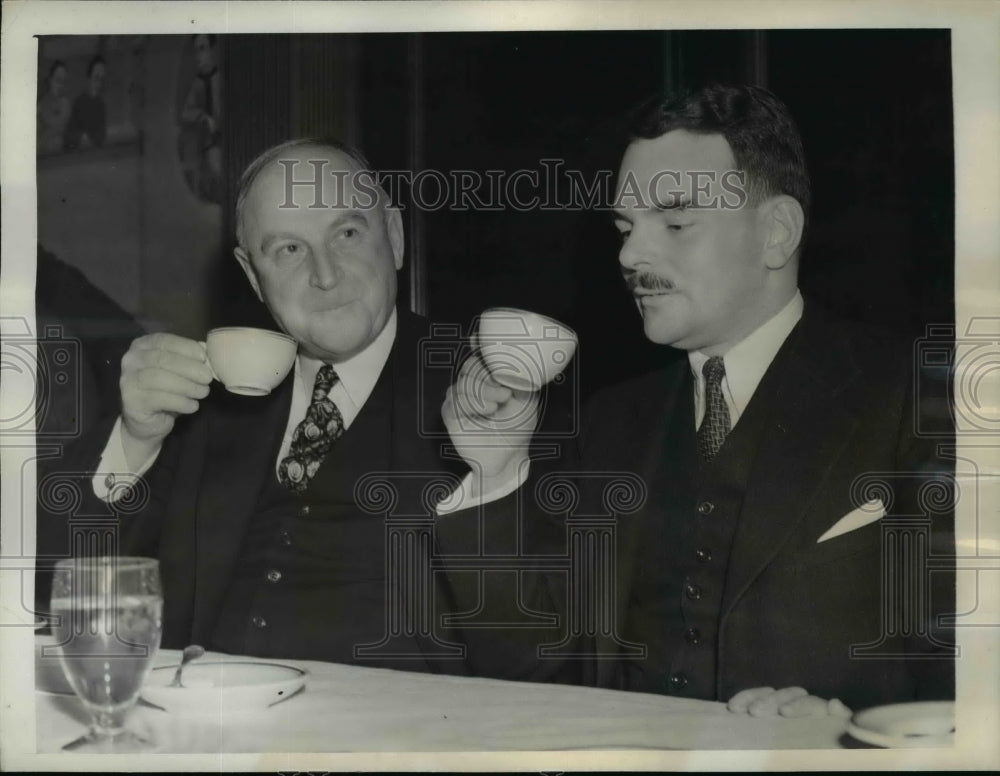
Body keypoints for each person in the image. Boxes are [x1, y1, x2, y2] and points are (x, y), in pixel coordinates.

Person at [444, 84, 955, 714]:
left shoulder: (921, 392)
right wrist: (493, 474)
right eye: (626, 227)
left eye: (676, 220)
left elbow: (967, 662)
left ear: (776, 233)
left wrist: (856, 735)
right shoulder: (610, 421)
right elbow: (530, 672)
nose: (631, 254)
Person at [40, 138, 567, 681]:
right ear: (253, 276)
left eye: (346, 233)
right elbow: (50, 594)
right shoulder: (205, 400)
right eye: (288, 249)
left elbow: (549, 666)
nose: (325, 274)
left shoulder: (498, 394)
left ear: (394, 235)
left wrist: (494, 483)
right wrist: (134, 441)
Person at [178, 34, 223, 203]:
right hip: (205, 145)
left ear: (212, 50)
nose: (199, 56)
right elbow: (185, 113)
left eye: (203, 49)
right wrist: (203, 117)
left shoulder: (221, 80)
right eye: (196, 50)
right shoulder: (196, 84)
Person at [64, 56, 107, 151]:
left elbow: (102, 136)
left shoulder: (101, 105)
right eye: (96, 78)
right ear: (89, 78)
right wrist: (81, 137)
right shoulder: (78, 103)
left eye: (101, 79)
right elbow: (69, 136)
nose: (99, 84)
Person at [37, 61, 71, 154]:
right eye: (58, 80)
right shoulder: (41, 105)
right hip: (42, 155)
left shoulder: (65, 103)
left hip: (60, 155)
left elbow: (61, 127)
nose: (60, 85)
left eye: (63, 81)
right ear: (50, 79)